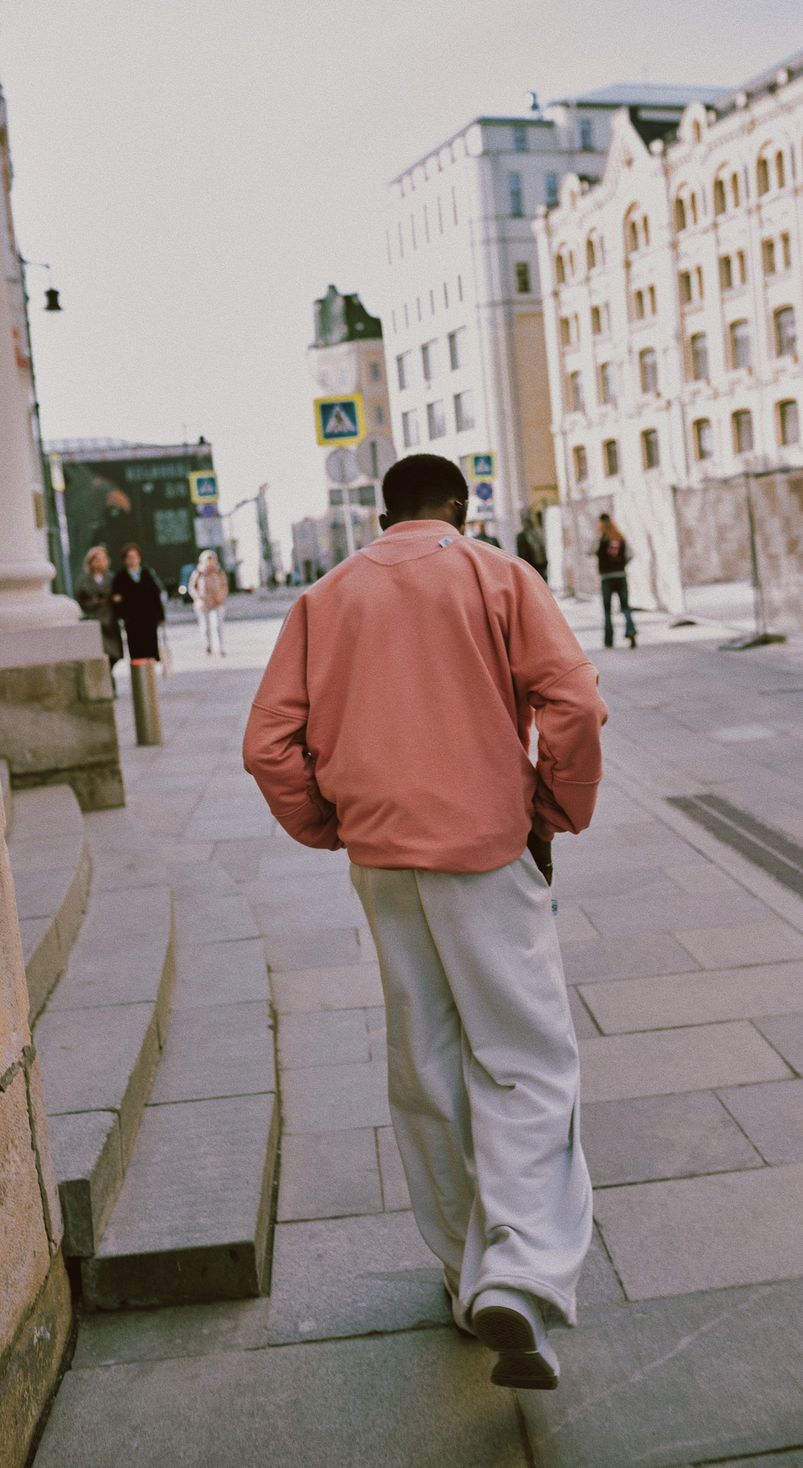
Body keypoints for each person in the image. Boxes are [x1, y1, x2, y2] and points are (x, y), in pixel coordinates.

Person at [243, 453, 607, 1392]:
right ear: (462, 504)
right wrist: (553, 807)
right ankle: (518, 1274)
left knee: (426, 1062)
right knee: (524, 1056)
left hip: (381, 859)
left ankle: (461, 1269)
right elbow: (573, 702)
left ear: (382, 510)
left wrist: (329, 823)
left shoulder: (324, 600)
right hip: (485, 852)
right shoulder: (495, 574)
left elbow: (267, 743)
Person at [111, 543, 165, 660]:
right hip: (132, 620)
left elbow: (155, 596)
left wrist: (161, 616)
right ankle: (139, 676)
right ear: (125, 560)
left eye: (135, 557)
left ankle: (150, 675)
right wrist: (123, 615)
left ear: (139, 558)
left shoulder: (147, 574)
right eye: (129, 557)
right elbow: (116, 599)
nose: (132, 560)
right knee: (137, 650)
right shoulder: (120, 577)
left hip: (149, 618)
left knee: (150, 648)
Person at [74, 546, 123, 671]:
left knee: (113, 654)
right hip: (94, 619)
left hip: (110, 620)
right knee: (98, 653)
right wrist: (92, 602)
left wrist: (115, 599)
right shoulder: (84, 580)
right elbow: (79, 599)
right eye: (96, 560)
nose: (99, 563)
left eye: (102, 559)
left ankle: (109, 677)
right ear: (90, 562)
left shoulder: (112, 578)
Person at [592, 513, 637, 649]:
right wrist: (621, 565)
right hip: (621, 576)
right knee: (625, 606)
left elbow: (590, 550)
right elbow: (630, 554)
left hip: (607, 578)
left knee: (607, 609)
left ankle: (609, 639)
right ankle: (630, 630)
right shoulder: (619, 536)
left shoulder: (600, 537)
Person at [189, 549, 228, 656]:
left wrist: (222, 596)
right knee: (205, 627)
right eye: (208, 560)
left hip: (217, 603)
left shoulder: (219, 572)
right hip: (203, 603)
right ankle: (207, 646)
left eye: (212, 559)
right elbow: (192, 587)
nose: (210, 562)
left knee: (217, 626)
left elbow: (224, 586)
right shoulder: (198, 572)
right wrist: (198, 598)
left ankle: (220, 648)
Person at [516, 507, 548, 583]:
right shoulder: (538, 532)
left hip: (531, 564)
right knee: (542, 582)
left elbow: (521, 552)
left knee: (534, 583)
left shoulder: (522, 535)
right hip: (541, 563)